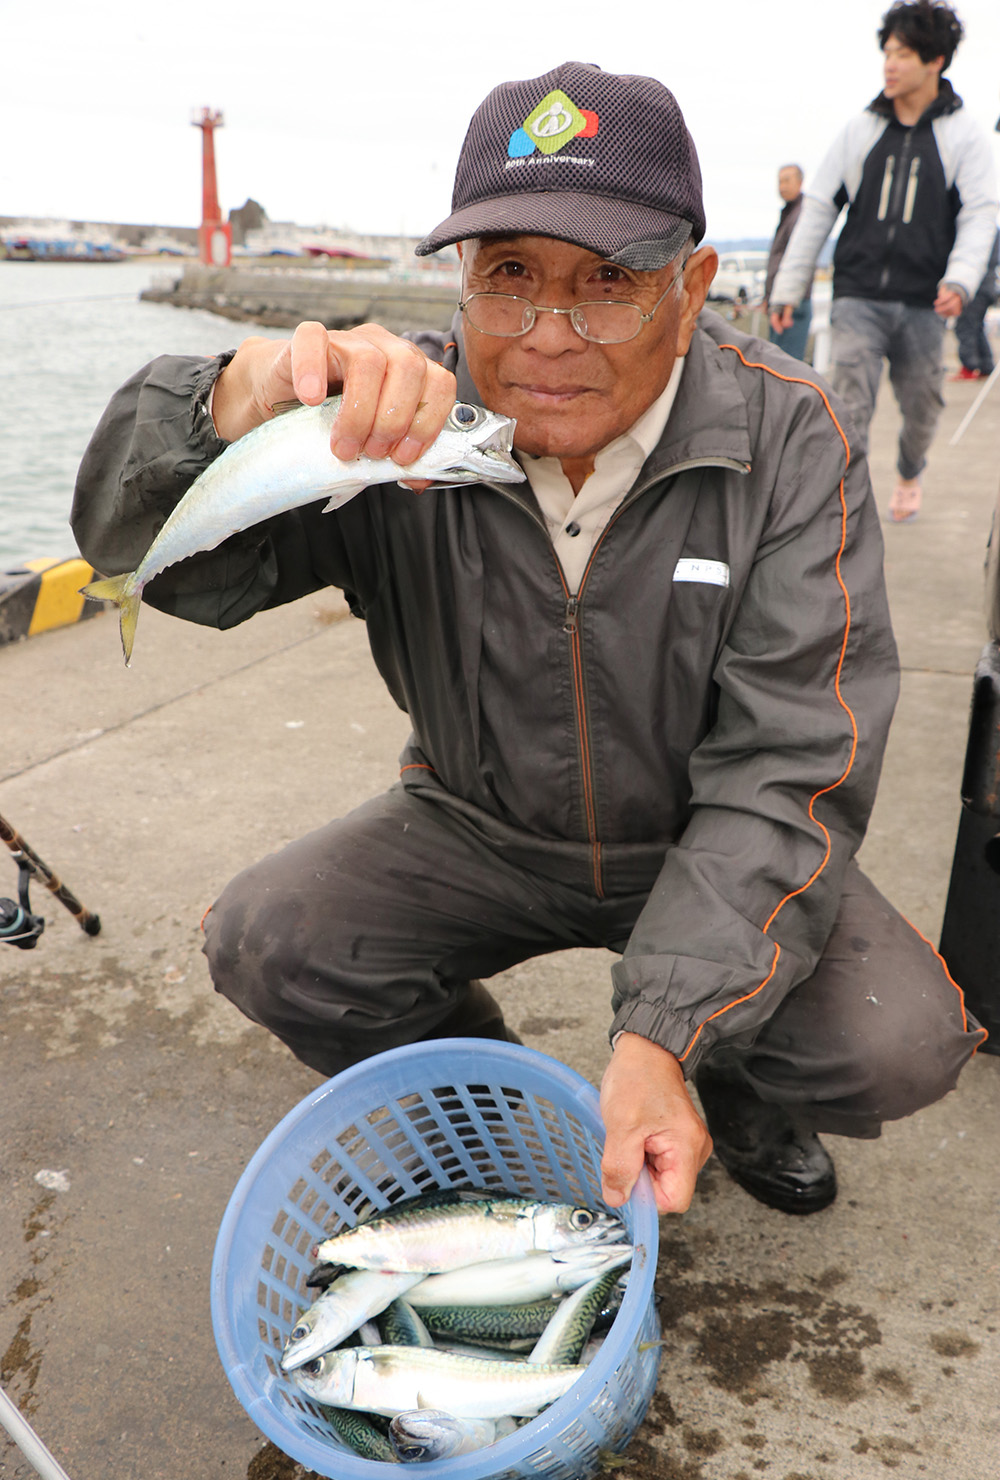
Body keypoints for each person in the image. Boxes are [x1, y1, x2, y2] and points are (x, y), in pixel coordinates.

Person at [72, 61, 986, 1221]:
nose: (547, 336)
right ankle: (479, 1082)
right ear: (460, 281)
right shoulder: (383, 426)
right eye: (508, 277)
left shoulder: (788, 434)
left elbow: (791, 761)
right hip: (474, 817)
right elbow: (150, 558)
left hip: (698, 830)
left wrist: (661, 1036)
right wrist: (226, 402)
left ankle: (727, 1072)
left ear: (694, 286)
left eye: (608, 283)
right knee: (270, 942)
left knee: (896, 1041)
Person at [770, 1, 998, 524]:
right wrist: (789, 287)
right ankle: (847, 504)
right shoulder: (860, 129)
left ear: (935, 59)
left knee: (923, 407)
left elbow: (981, 216)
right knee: (848, 405)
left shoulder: (965, 136)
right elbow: (820, 207)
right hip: (858, 294)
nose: (890, 64)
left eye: (903, 54)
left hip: (924, 301)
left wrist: (960, 280)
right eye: (887, 52)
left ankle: (910, 471)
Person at [764, 164, 813, 362]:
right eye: (780, 181)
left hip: (791, 304)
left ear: (800, 183)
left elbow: (803, 259)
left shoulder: (802, 214)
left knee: (786, 365)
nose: (782, 186)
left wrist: (788, 302)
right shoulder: (789, 213)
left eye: (787, 180)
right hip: (780, 302)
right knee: (778, 362)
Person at [950, 227, 998, 379]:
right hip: (988, 286)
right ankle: (986, 365)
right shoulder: (993, 231)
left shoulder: (981, 230)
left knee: (965, 326)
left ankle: (969, 367)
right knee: (976, 327)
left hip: (976, 287)